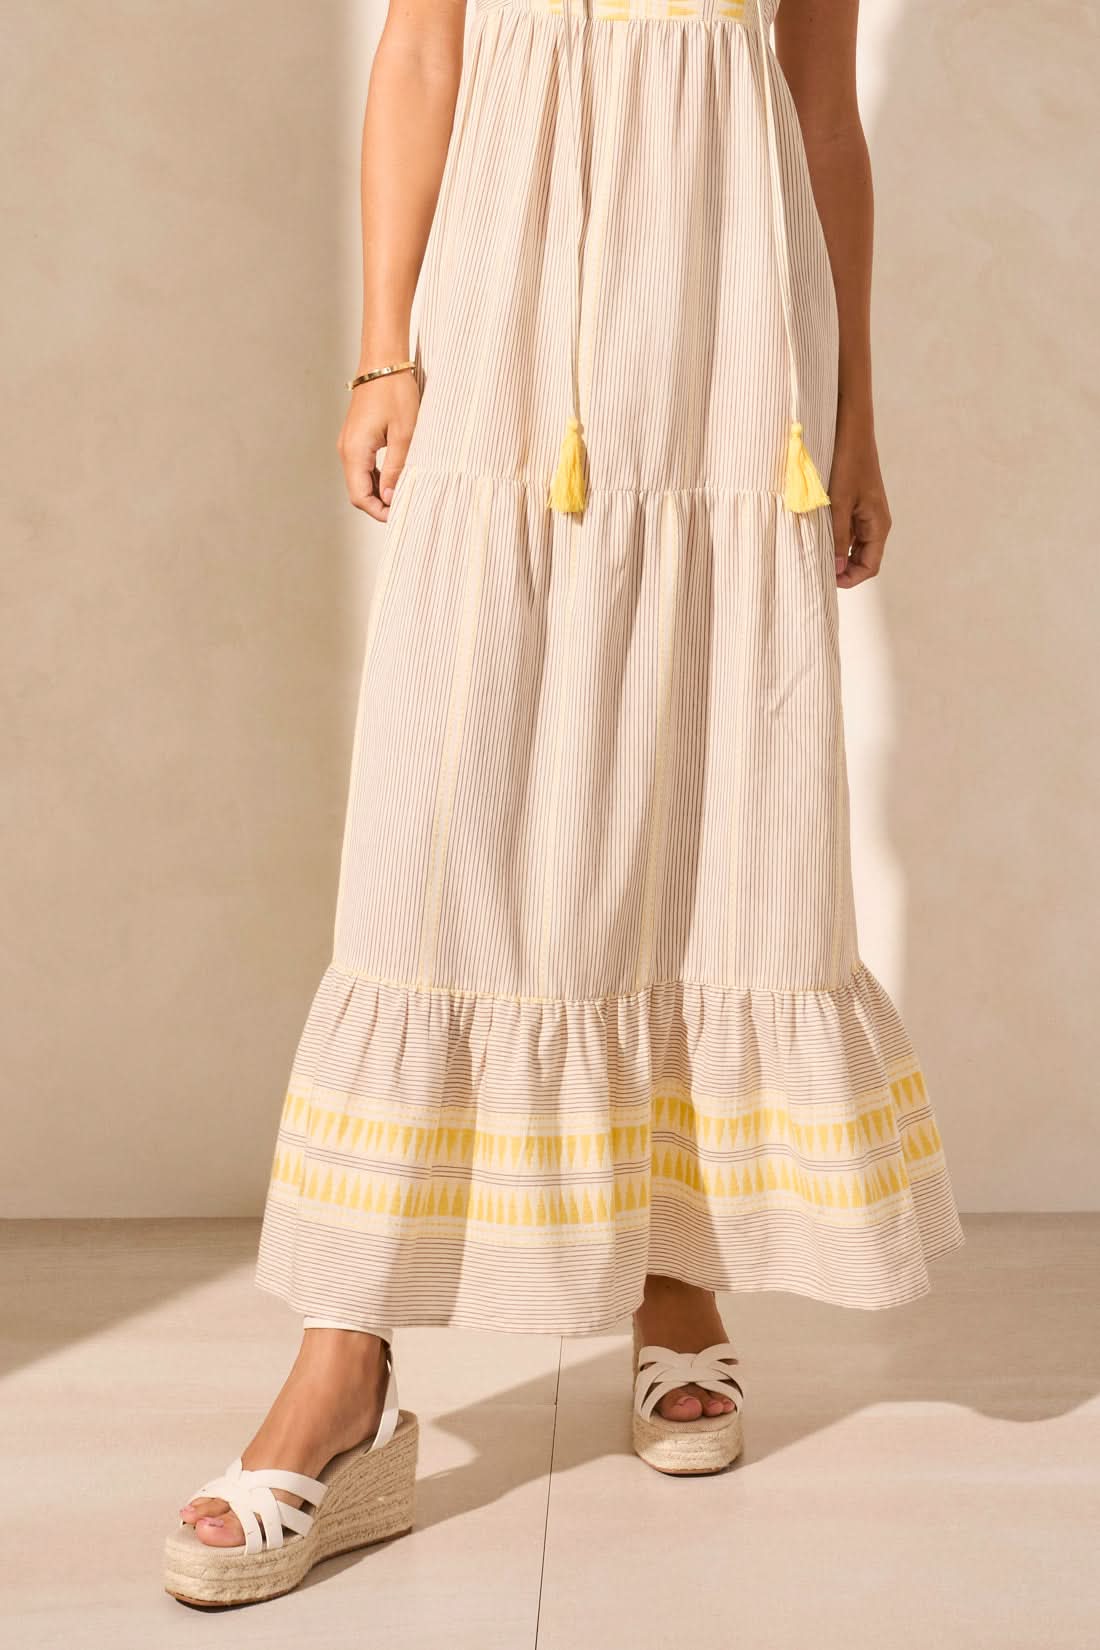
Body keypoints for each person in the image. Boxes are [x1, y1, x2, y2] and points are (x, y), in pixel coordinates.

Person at [164, 0, 964, 1607]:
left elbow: (819, 110)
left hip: (735, 351)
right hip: (508, 327)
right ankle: (345, 1362)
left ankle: (679, 1275)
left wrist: (857, 407)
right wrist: (384, 345)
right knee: (442, 818)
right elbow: (420, 53)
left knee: (708, 782)